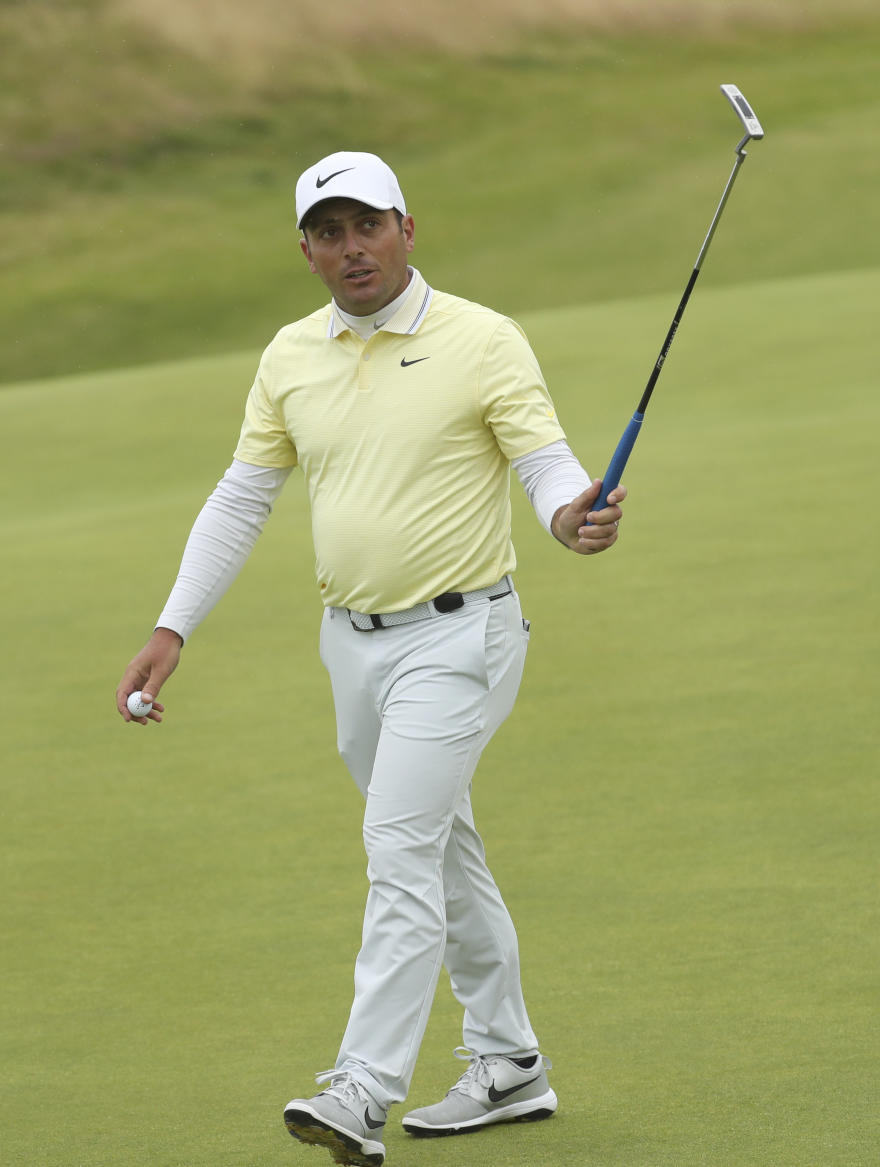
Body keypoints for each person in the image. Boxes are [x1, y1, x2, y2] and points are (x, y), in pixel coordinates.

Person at [116, 151, 626, 1167]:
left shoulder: (481, 339)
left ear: (406, 225)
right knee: (437, 847)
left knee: (398, 852)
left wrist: (569, 514)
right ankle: (510, 1062)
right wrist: (174, 625)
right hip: (349, 647)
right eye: (328, 232)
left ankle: (361, 1089)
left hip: (461, 635)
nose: (351, 249)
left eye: (368, 226)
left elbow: (541, 457)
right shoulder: (291, 355)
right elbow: (241, 497)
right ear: (305, 248)